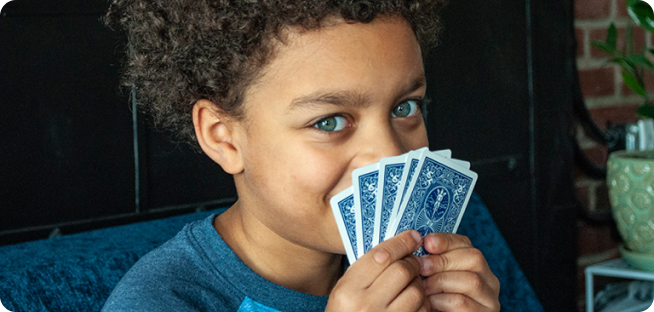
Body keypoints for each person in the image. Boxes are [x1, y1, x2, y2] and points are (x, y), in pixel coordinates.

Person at [102, 1, 500, 311]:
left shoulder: (435, 263)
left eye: (404, 108)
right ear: (223, 137)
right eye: (329, 122)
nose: (389, 156)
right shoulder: (161, 302)